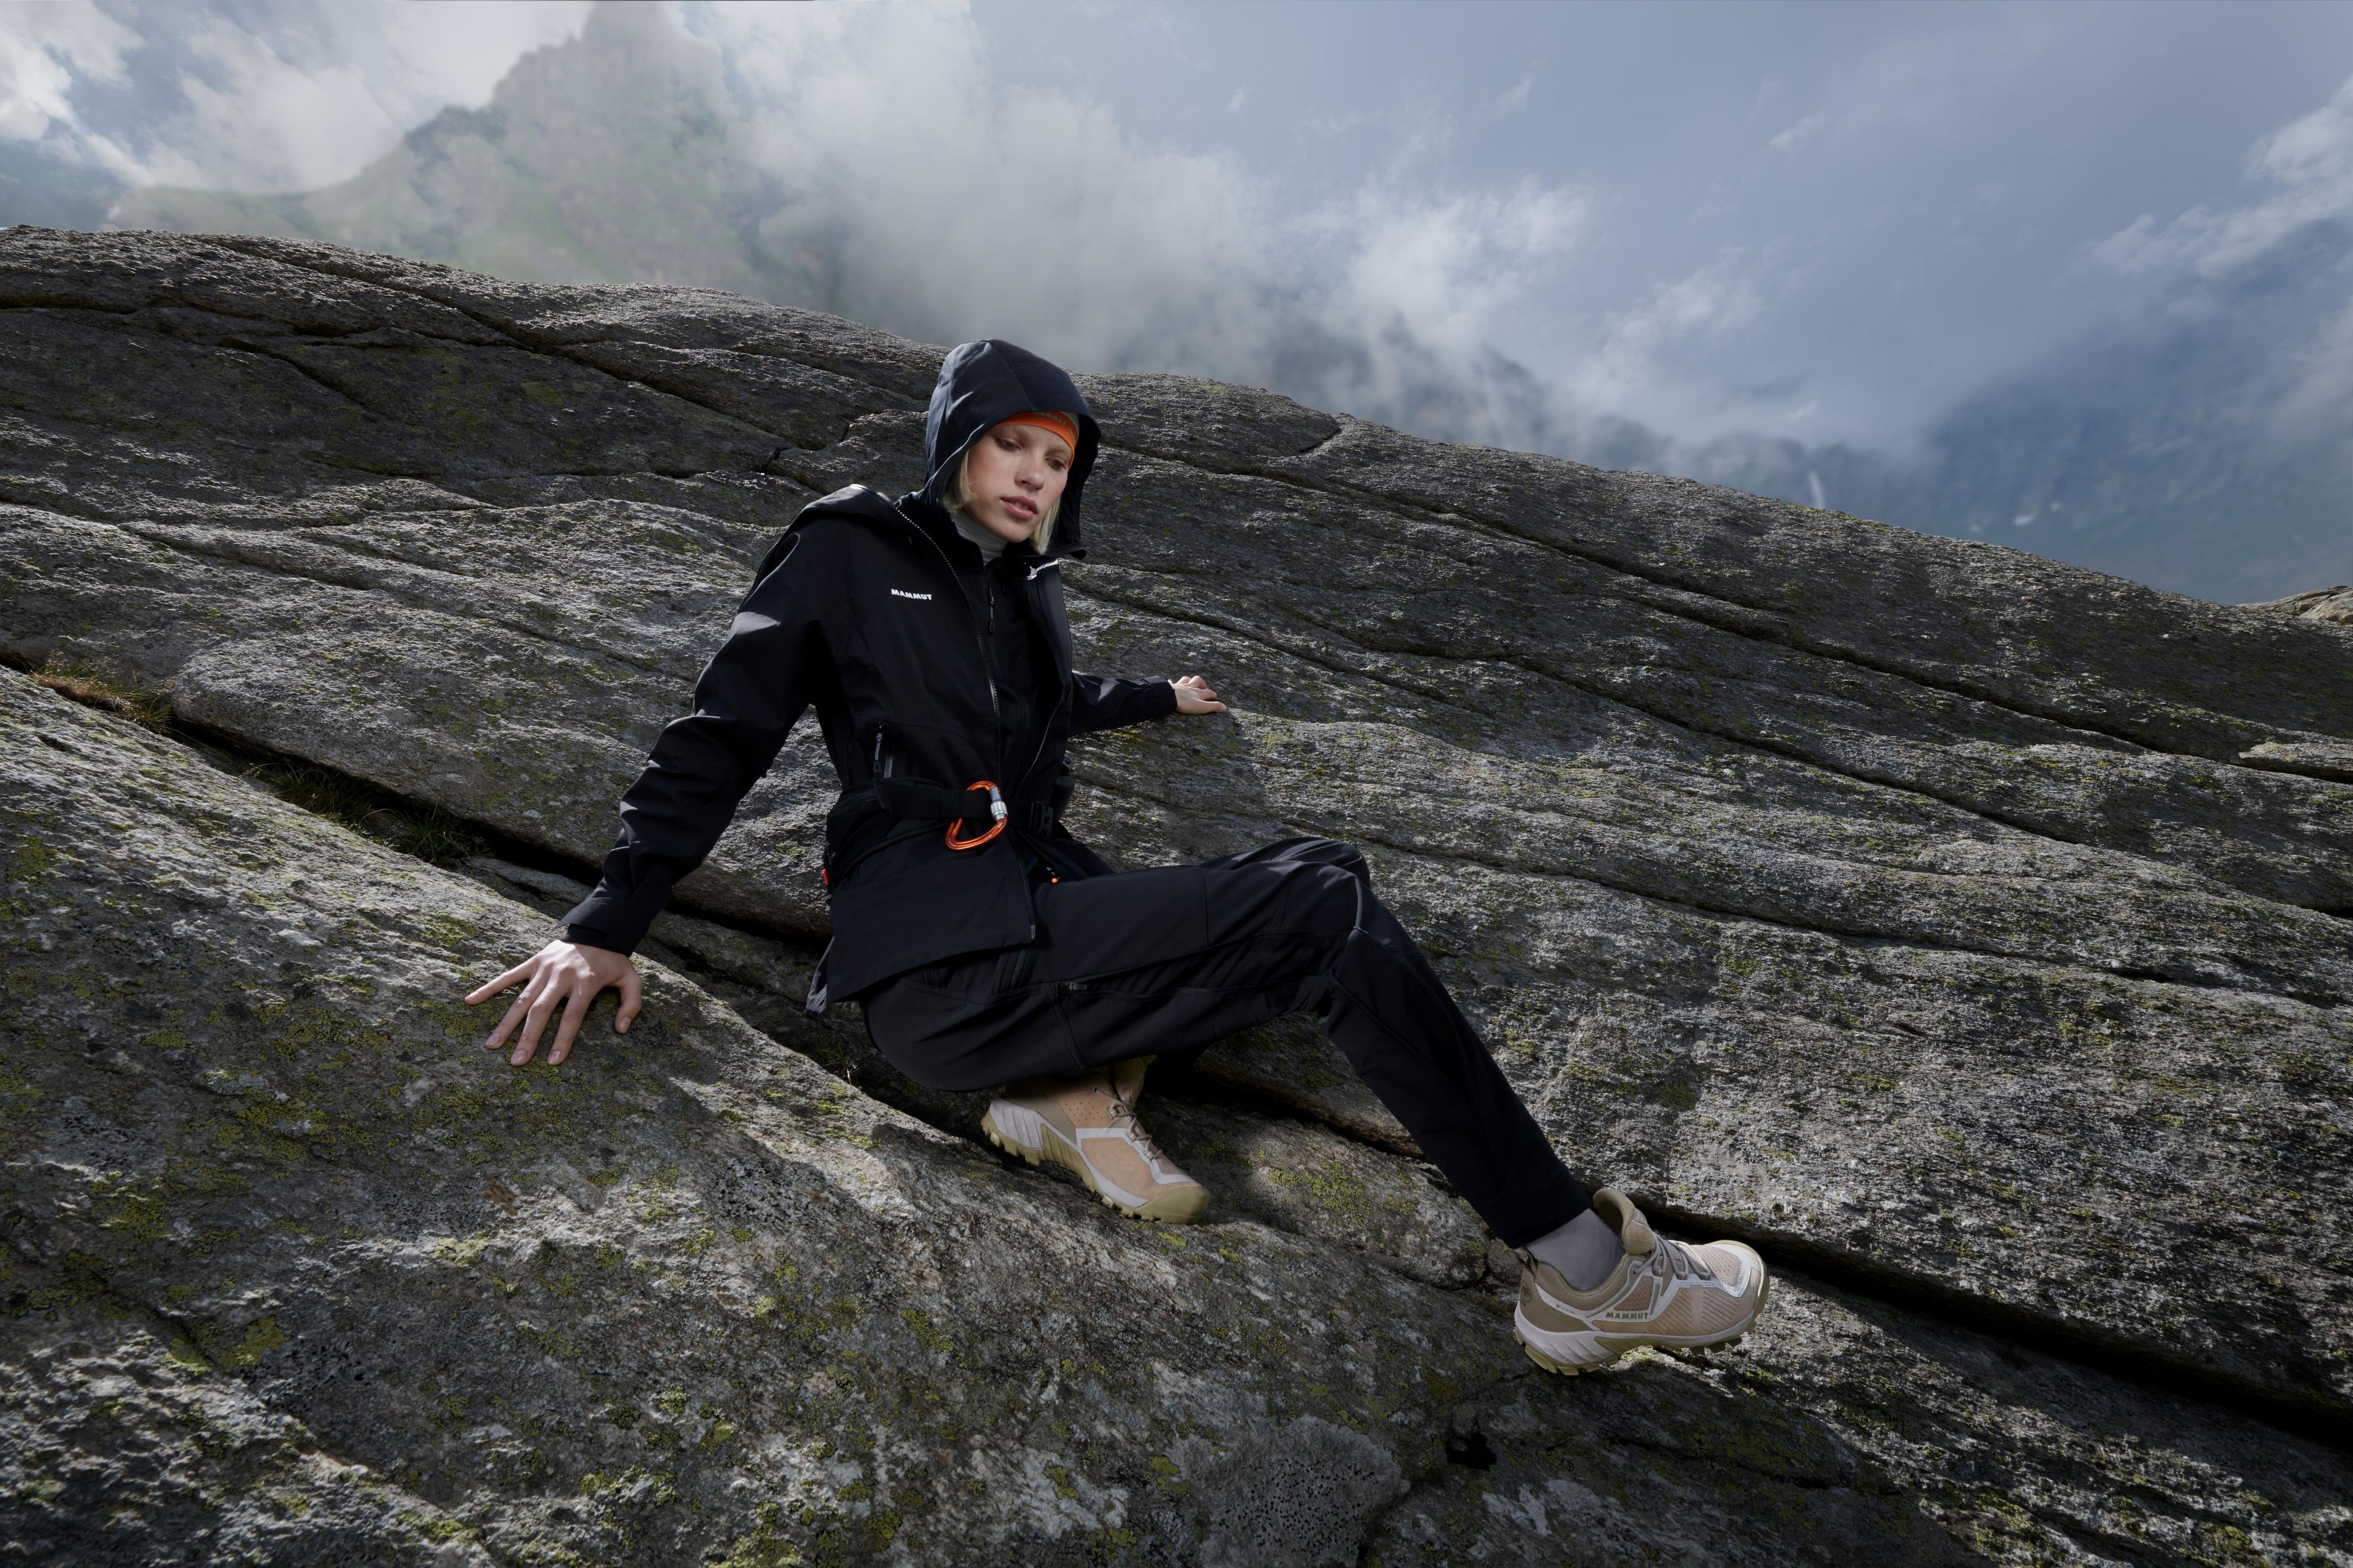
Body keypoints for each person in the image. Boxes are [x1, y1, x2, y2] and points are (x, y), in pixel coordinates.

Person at [464, 339, 1769, 1376]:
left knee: (1330, 868)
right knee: (1314, 914)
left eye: (1057, 456)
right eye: (1010, 444)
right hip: (940, 962)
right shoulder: (847, 551)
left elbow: (1046, 704)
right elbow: (722, 729)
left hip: (1029, 933)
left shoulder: (1021, 593)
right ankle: (1583, 1275)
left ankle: (1059, 1094)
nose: (1034, 473)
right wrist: (608, 919)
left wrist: (1159, 698)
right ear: (956, 441)